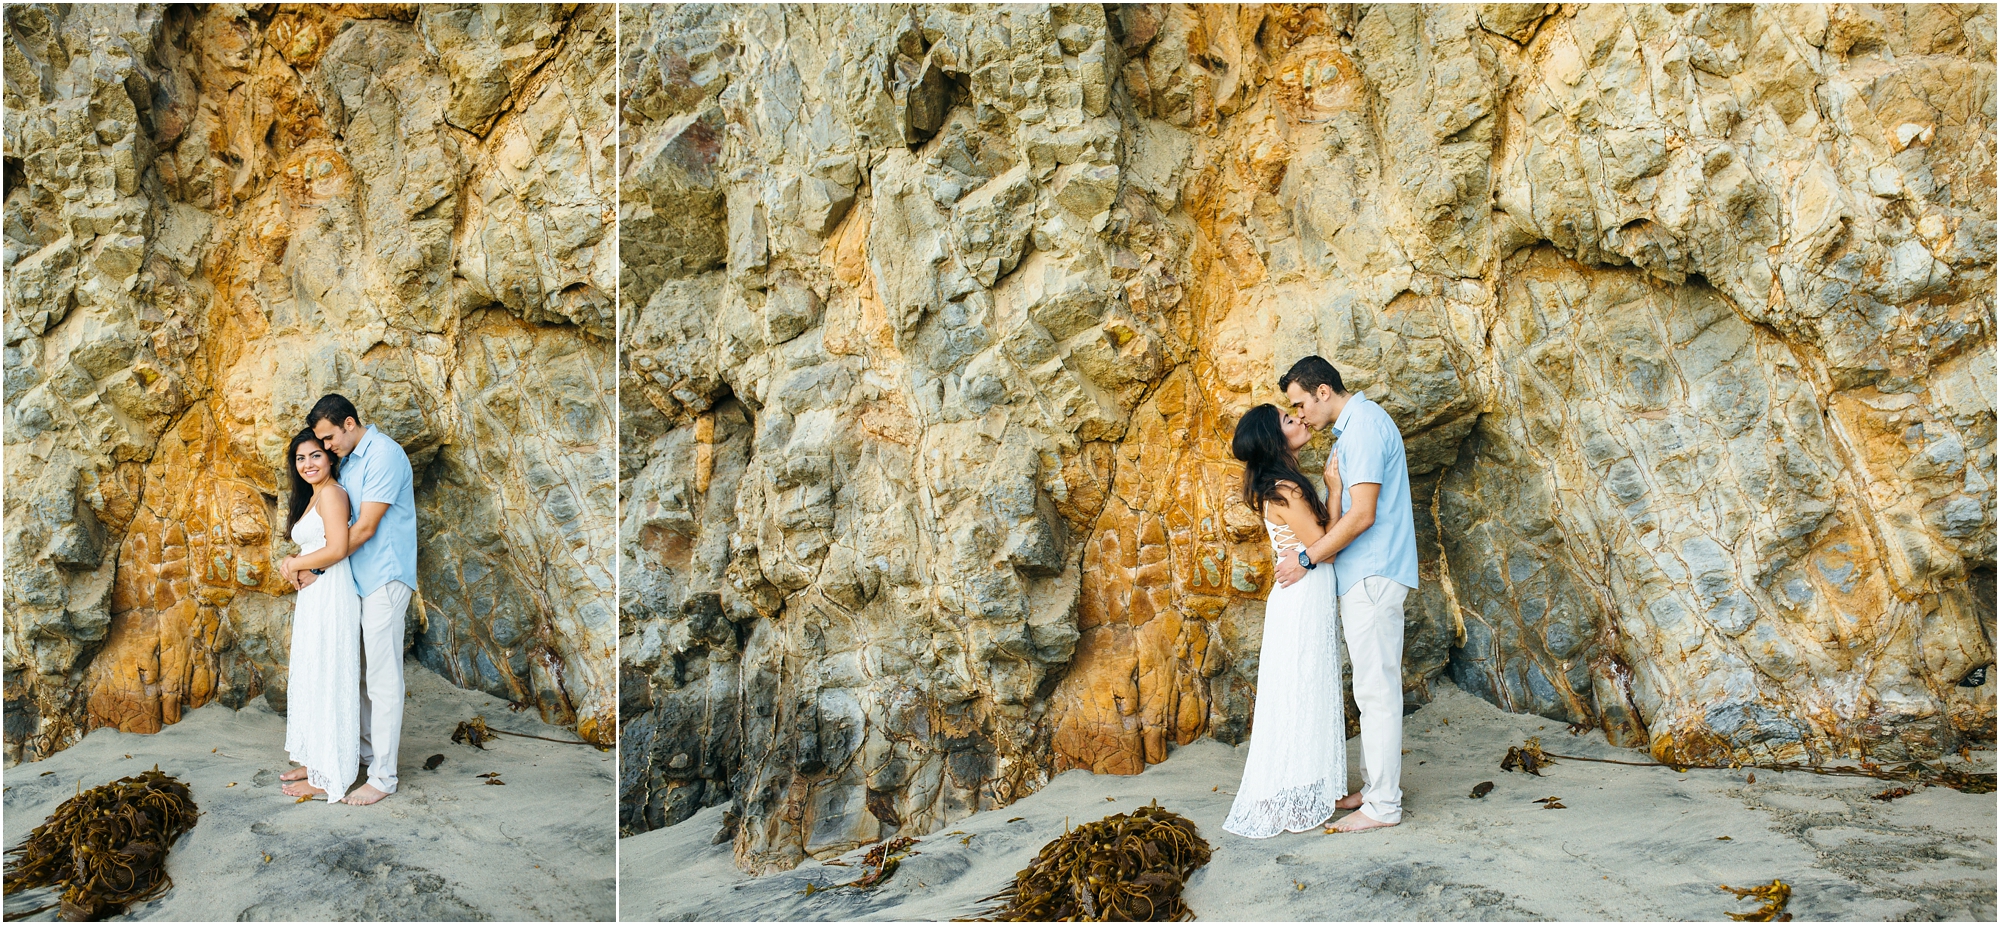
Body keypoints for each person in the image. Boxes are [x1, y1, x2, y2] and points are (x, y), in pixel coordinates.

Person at [1272, 356, 1419, 834]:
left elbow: (1364, 516)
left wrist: (1308, 558)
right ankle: (1373, 789)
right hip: (1365, 574)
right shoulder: (1353, 430)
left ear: (1321, 392)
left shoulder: (1365, 427)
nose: (1299, 414)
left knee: (1377, 691)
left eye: (1299, 402)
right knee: (1369, 689)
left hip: (1374, 573)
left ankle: (1383, 807)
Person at [1221, 403, 1349, 838]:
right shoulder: (1285, 490)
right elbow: (1325, 546)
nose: (1299, 420)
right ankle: (1298, 794)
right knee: (1303, 688)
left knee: (1307, 686)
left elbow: (1310, 548)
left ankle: (1318, 790)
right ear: (1275, 439)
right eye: (1288, 421)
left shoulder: (1278, 486)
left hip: (1300, 593)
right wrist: (1333, 489)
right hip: (1302, 597)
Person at [284, 395, 419, 806]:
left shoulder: (385, 455)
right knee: (355, 676)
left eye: (327, 438)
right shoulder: (354, 460)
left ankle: (383, 777)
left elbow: (360, 531)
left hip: (385, 576)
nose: (325, 448)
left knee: (382, 680)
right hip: (357, 581)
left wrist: (312, 567)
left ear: (349, 422)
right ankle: (360, 755)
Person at [276, 429, 363, 803]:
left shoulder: (332, 494)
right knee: (313, 671)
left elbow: (338, 547)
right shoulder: (313, 497)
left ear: (330, 458)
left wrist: (295, 561)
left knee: (328, 673)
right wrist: (299, 565)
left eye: (315, 456)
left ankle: (329, 772)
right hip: (317, 594)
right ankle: (315, 760)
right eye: (300, 458)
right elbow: (324, 549)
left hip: (332, 594)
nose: (308, 464)